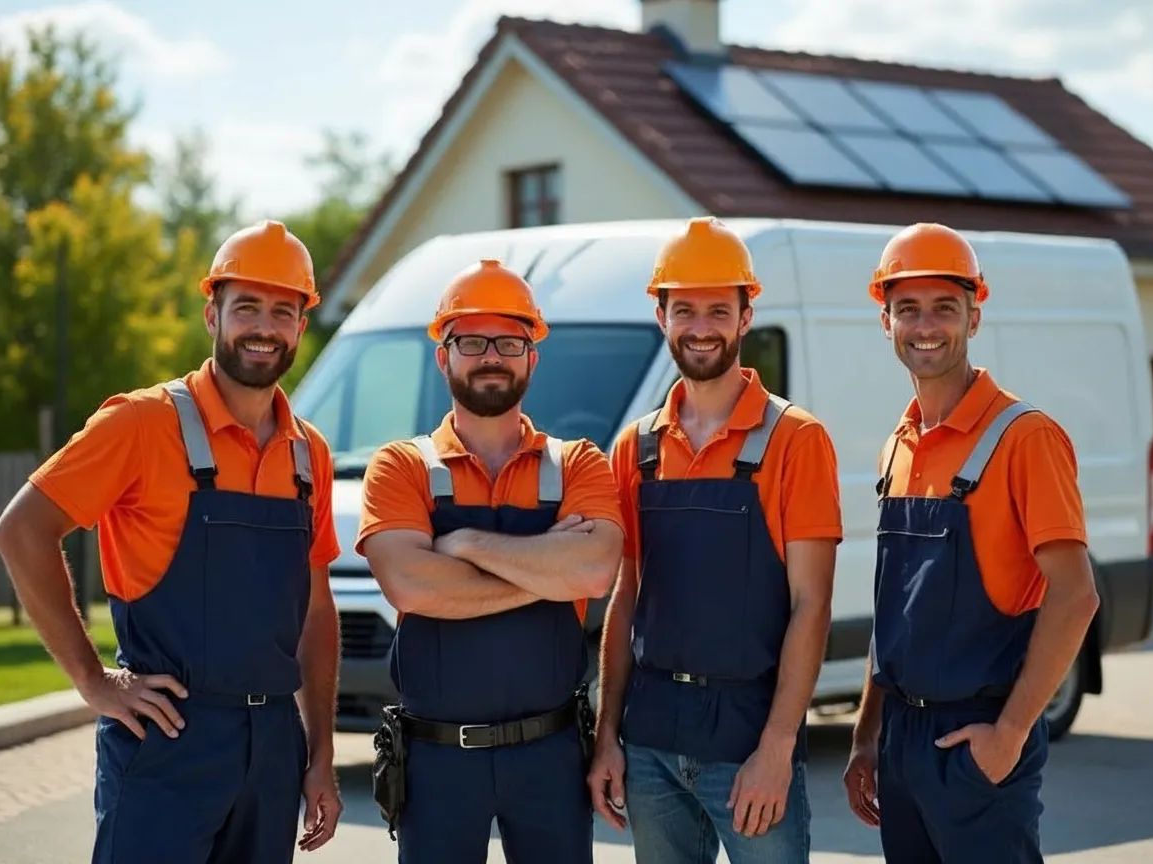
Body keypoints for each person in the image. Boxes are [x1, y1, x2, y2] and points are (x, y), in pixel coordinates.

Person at [0, 220, 345, 863]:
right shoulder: (141, 422)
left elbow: (316, 612)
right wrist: (92, 679)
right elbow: (22, 530)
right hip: (168, 737)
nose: (263, 327)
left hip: (272, 749)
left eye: (282, 311)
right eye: (246, 308)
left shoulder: (308, 453)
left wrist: (319, 751)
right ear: (212, 312)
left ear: (301, 325)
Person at [841, 222, 1100, 863]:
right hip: (900, 740)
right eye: (908, 309)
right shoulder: (897, 445)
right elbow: (894, 612)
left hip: (977, 737)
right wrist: (867, 734)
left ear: (974, 317)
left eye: (944, 308)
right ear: (886, 321)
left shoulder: (1025, 438)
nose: (925, 325)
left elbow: (1075, 597)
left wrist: (1010, 733)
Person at [588, 216, 843, 863]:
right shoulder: (636, 448)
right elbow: (627, 597)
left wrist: (779, 746)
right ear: (662, 314)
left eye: (718, 310)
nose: (701, 327)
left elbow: (812, 605)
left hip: (749, 742)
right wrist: (608, 734)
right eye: (686, 310)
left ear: (746, 314)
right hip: (650, 744)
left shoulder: (796, 440)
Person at [355, 258, 625, 864]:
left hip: (552, 756)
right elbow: (411, 586)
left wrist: (468, 546)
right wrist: (548, 569)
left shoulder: (578, 463)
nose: (491, 356)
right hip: (436, 760)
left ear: (533, 355)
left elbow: (594, 573)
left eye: (509, 341)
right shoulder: (401, 467)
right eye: (470, 341)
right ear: (442, 356)